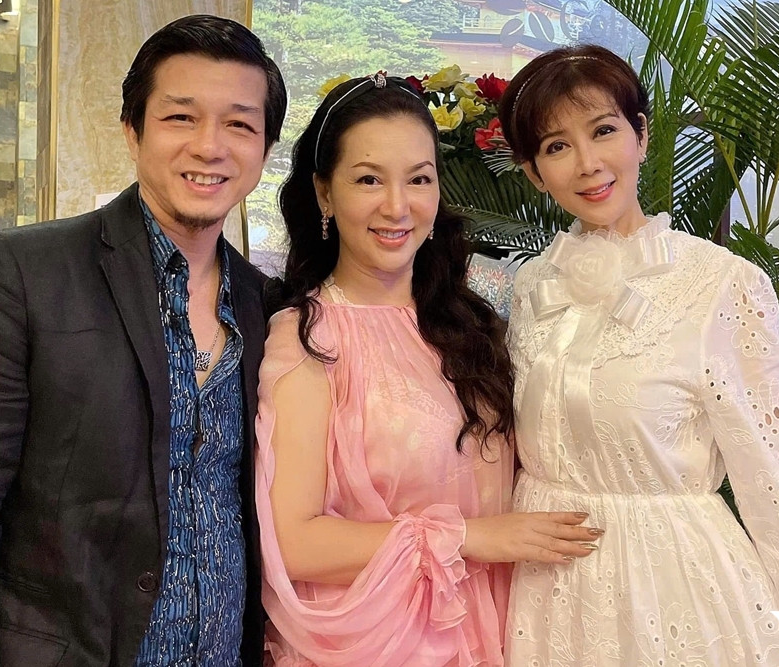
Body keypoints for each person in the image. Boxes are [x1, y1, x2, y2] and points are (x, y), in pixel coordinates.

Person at [498, 45, 779, 666]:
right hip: (544, 588)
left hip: (667, 585)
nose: (588, 163)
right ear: (533, 172)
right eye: (557, 145)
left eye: (604, 131)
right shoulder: (532, 287)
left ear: (641, 135)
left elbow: (773, 481)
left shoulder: (722, 285)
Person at [0, 15, 287, 666]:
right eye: (180, 117)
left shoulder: (267, 307)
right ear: (132, 130)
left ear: (265, 148)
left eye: (239, 124)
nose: (210, 146)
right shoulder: (15, 275)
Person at [255, 73, 602, 666]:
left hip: (495, 624)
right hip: (381, 641)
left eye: (418, 179)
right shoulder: (309, 336)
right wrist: (470, 536)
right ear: (324, 193)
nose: (398, 206)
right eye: (369, 179)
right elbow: (295, 543)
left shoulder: (473, 323)